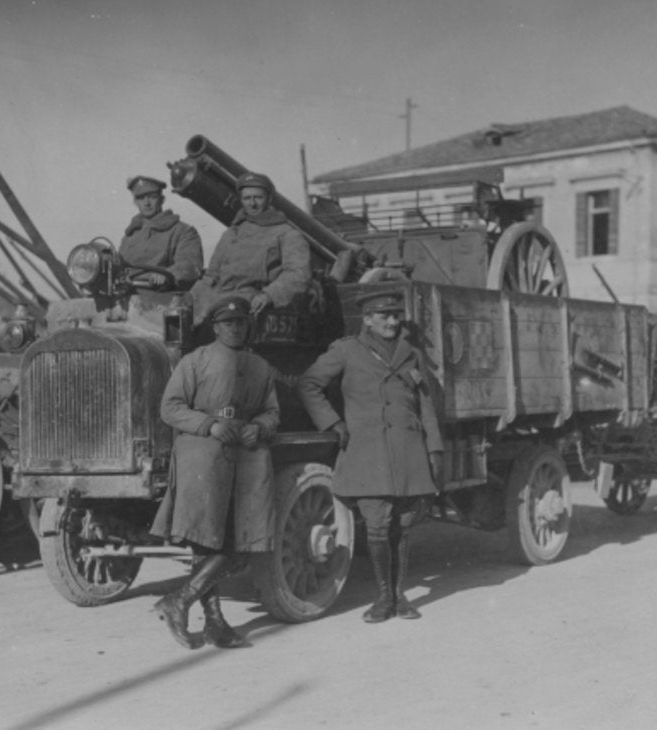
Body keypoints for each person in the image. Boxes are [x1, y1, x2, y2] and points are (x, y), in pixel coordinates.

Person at [297, 289, 444, 623]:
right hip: (368, 454)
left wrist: (434, 448)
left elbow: (425, 406)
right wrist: (332, 422)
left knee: (402, 527)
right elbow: (309, 384)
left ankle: (399, 596)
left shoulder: (412, 354)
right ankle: (382, 598)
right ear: (367, 319)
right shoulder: (347, 351)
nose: (392, 321)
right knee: (377, 527)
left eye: (396, 315)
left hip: (408, 453)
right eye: (383, 316)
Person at [150, 296, 280, 649]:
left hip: (248, 455)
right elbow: (170, 408)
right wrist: (208, 425)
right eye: (227, 323)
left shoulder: (260, 367)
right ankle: (215, 623)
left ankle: (181, 600)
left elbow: (272, 411)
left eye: (240, 323)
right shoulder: (196, 362)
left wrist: (260, 427)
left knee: (243, 540)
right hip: (202, 455)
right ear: (216, 327)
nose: (234, 329)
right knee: (205, 540)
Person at [196, 172, 311, 314]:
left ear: (269, 199)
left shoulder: (287, 234)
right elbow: (211, 275)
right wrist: (192, 296)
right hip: (219, 299)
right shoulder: (232, 233)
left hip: (253, 304)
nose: (252, 204)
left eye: (258, 197)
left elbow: (298, 274)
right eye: (247, 198)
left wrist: (270, 295)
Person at [119, 176, 204, 290]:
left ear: (162, 199)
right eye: (141, 198)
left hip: (162, 299)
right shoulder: (130, 235)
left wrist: (167, 274)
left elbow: (190, 266)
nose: (147, 203)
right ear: (135, 202)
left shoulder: (183, 232)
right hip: (127, 297)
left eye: (152, 197)